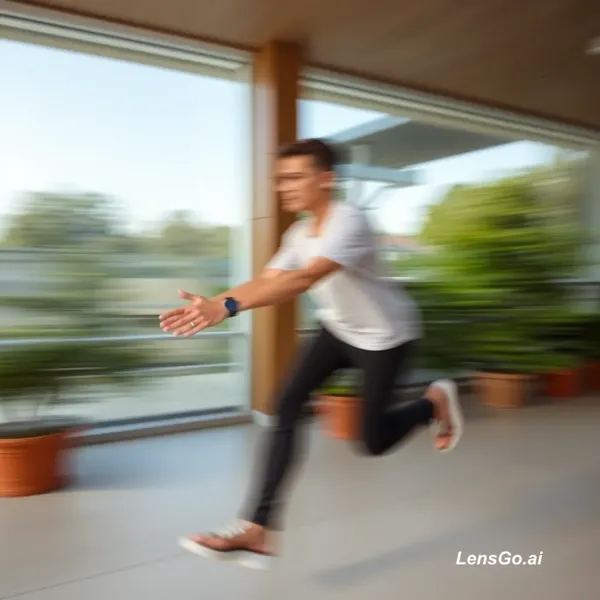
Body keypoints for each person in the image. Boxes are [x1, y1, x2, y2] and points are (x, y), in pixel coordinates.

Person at [159, 138, 463, 570]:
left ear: (326, 179)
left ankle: (433, 402)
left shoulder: (350, 221)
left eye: (294, 177)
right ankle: (257, 529)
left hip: (386, 337)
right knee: (285, 405)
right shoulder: (298, 233)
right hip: (337, 330)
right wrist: (216, 304)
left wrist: (227, 306)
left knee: (372, 442)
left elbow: (304, 279)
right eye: (280, 179)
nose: (283, 186)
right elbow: (268, 282)